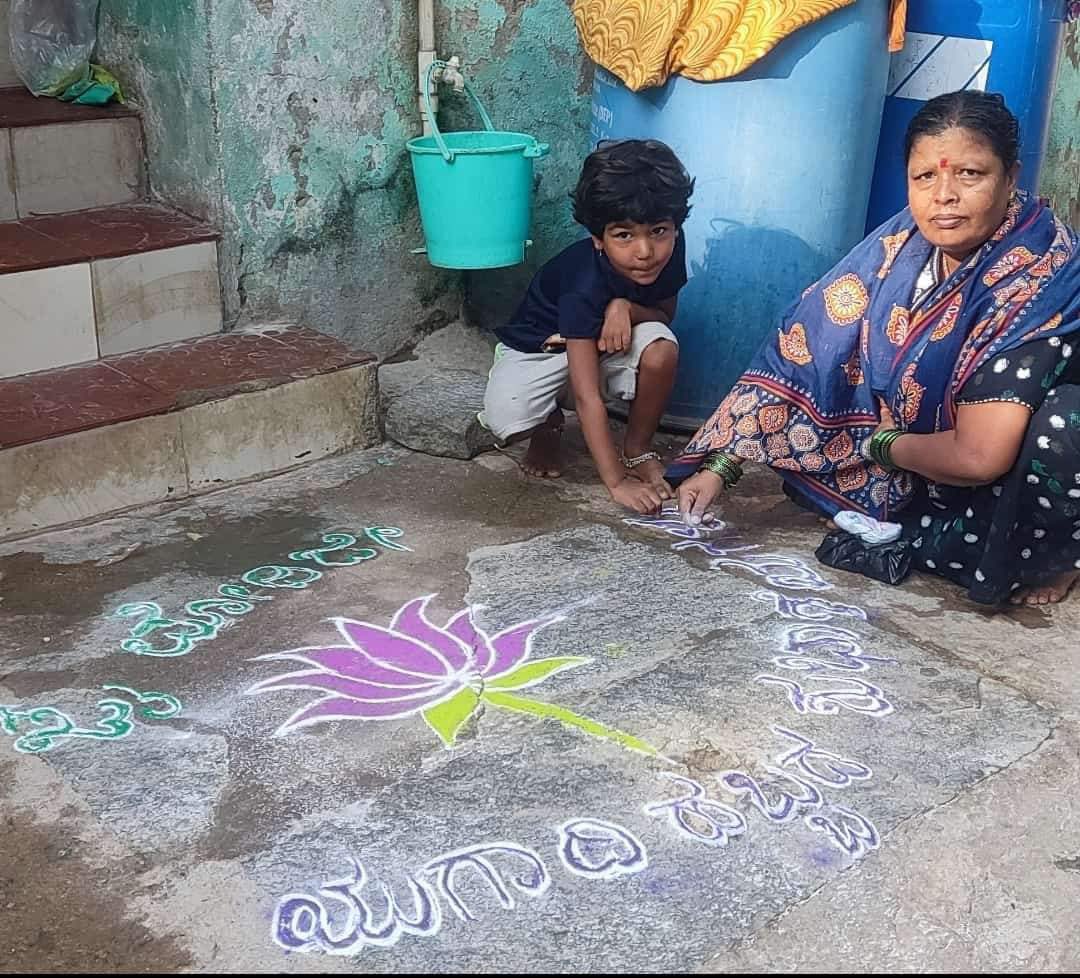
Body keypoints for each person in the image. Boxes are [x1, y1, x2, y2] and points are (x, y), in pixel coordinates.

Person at [669, 90, 1080, 607]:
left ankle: (1054, 557)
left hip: (1005, 466)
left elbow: (979, 458)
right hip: (927, 454)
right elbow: (811, 344)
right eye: (925, 177)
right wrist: (724, 464)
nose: (944, 196)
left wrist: (878, 446)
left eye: (970, 174)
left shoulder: (1038, 280)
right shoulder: (905, 242)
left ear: (1011, 176)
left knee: (1065, 428)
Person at [479, 139, 694, 514]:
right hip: (543, 349)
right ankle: (549, 424)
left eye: (658, 231)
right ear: (597, 238)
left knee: (662, 347)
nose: (645, 251)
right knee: (507, 418)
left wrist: (625, 308)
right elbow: (588, 397)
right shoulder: (583, 284)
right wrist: (615, 482)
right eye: (624, 235)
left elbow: (663, 316)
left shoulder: (670, 245)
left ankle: (637, 447)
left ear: (674, 226)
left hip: (605, 342)